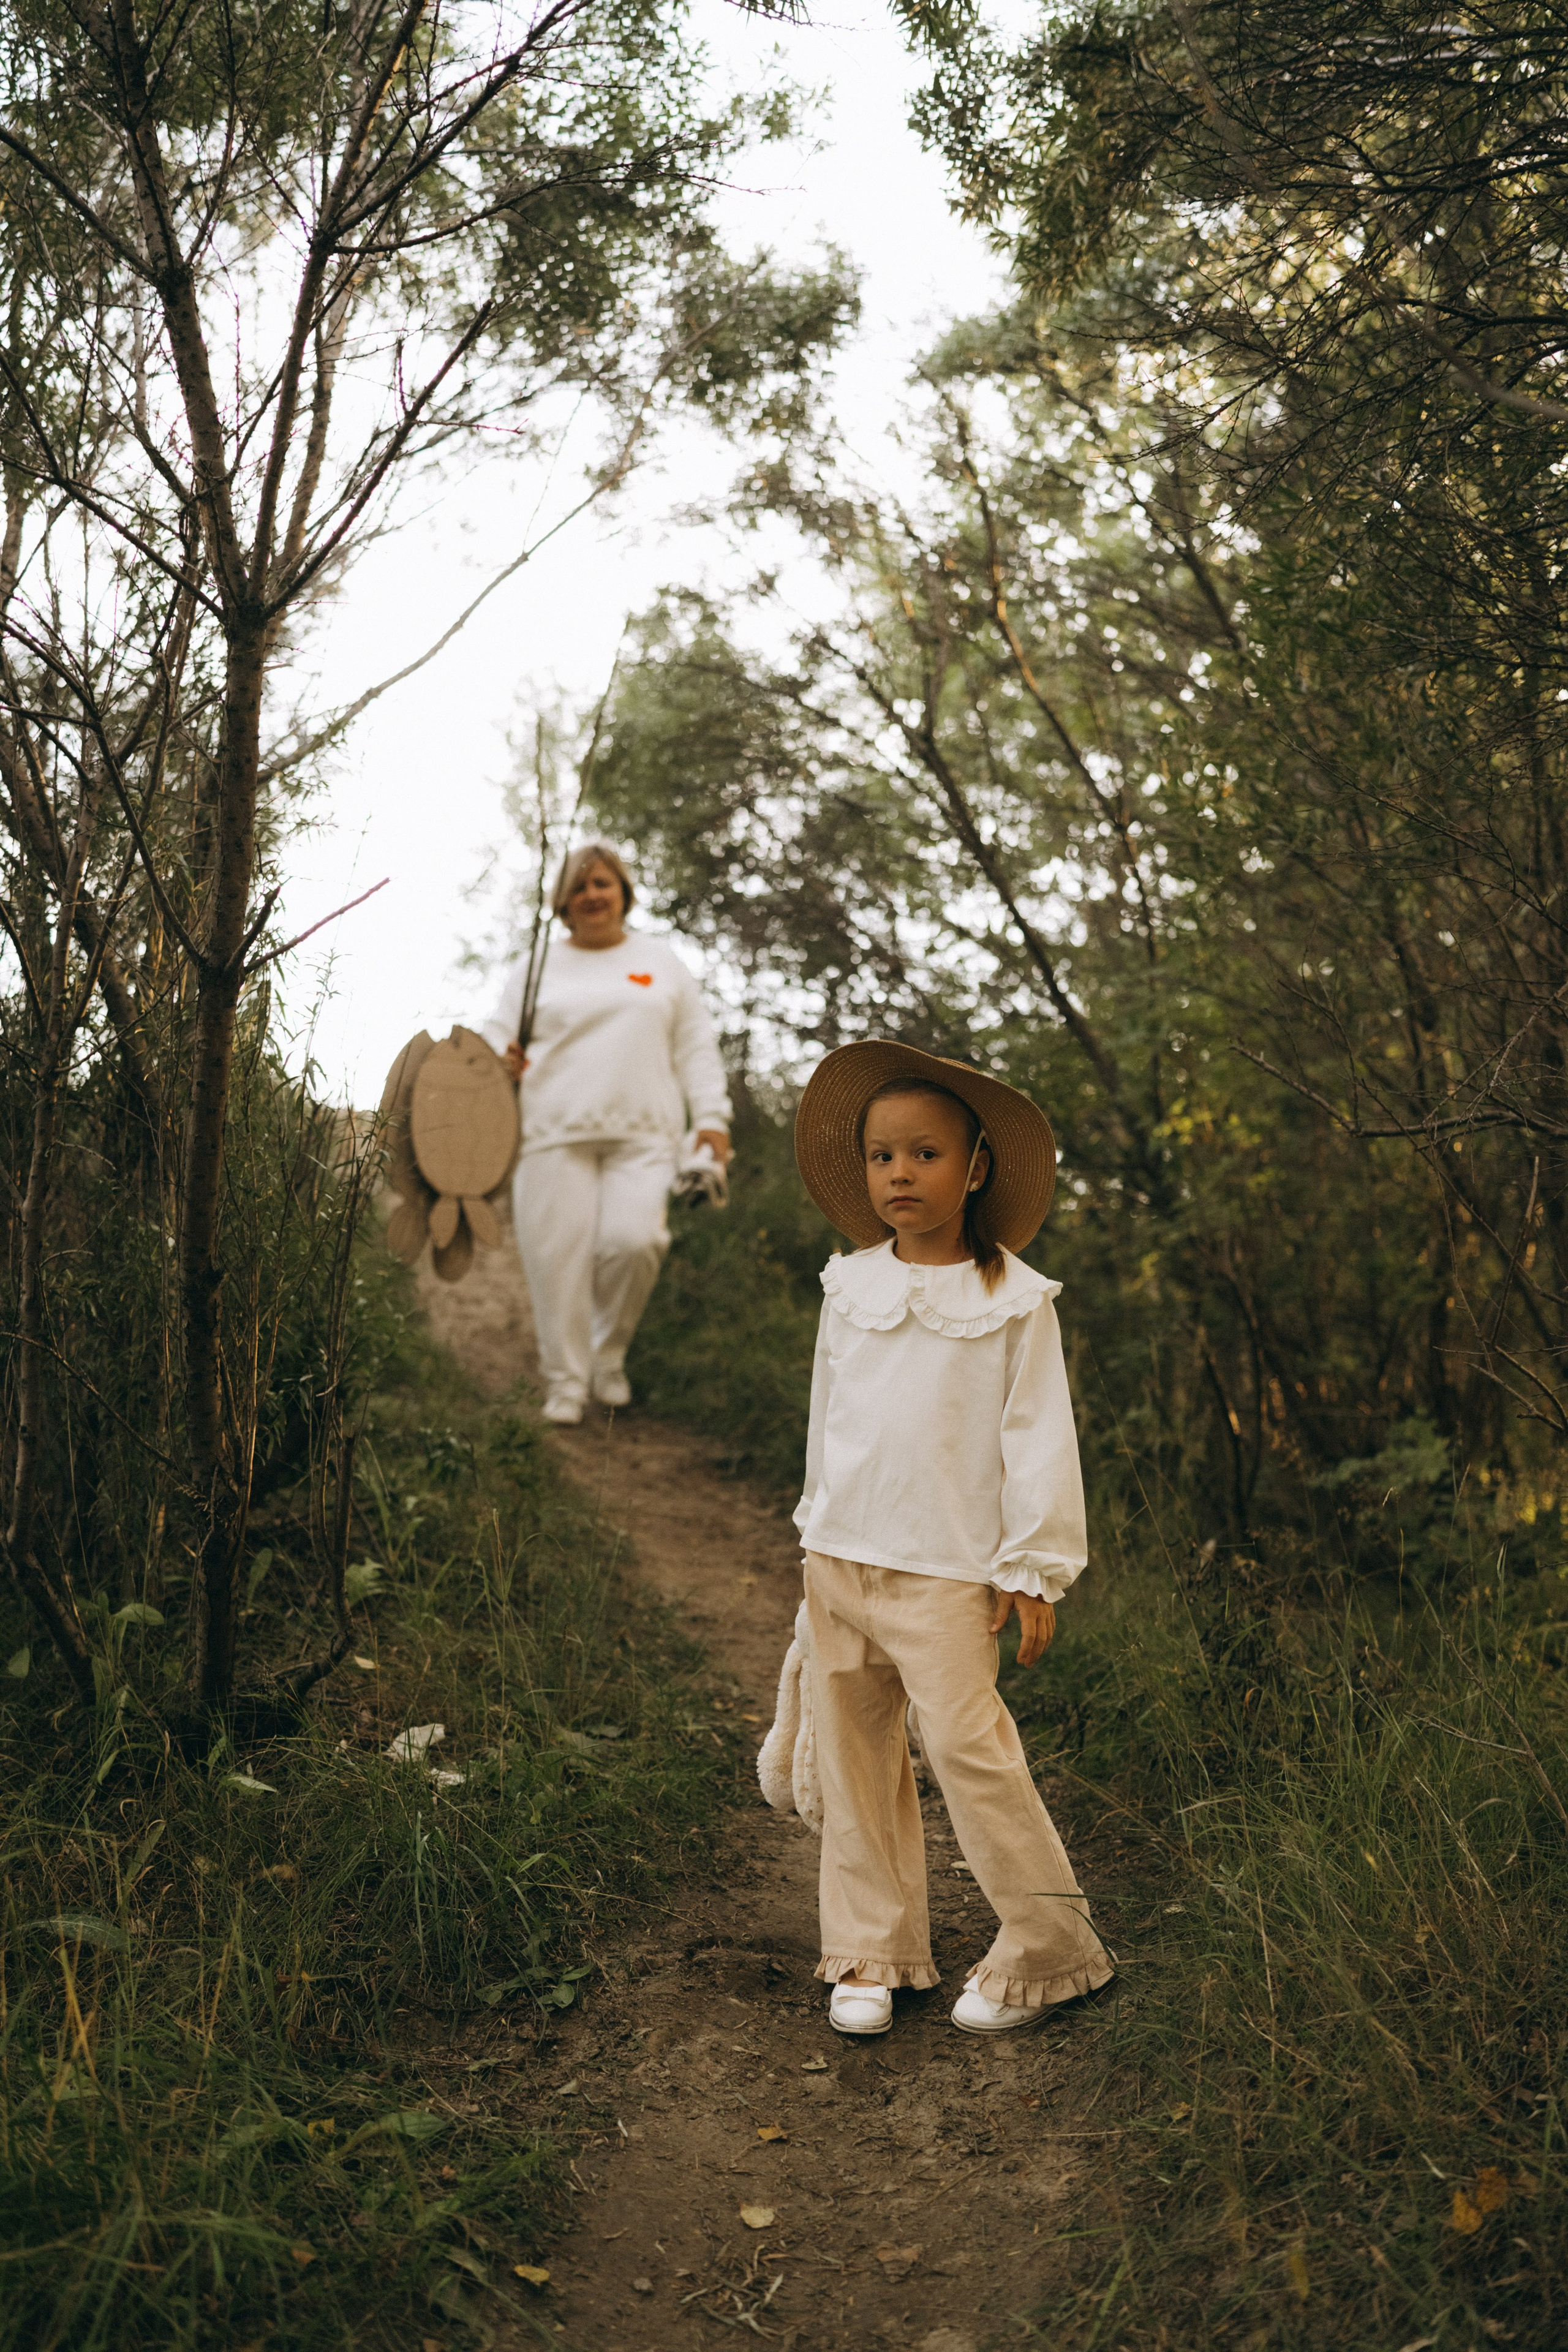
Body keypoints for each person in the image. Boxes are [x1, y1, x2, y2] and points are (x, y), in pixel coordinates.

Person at [788, 1038, 1112, 2037]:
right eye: (883, 1156)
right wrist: (814, 1535)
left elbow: (1038, 1438)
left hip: (949, 1573)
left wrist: (1033, 1570)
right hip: (843, 1557)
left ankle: (1051, 1950)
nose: (900, 1174)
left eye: (925, 1155)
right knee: (854, 1755)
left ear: (976, 1168)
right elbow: (828, 1420)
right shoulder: (851, 1287)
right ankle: (871, 1949)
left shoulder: (1012, 1301)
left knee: (972, 1752)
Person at [480, 843, 731, 1426]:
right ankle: (566, 1382)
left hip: (647, 1133)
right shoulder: (536, 965)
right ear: (563, 903)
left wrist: (713, 1120)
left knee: (634, 1241)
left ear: (623, 892)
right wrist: (502, 1058)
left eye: (603, 883)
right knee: (556, 1263)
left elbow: (696, 1046)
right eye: (580, 887)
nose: (592, 895)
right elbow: (497, 1036)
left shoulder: (662, 961)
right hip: (551, 1132)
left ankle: (605, 1355)